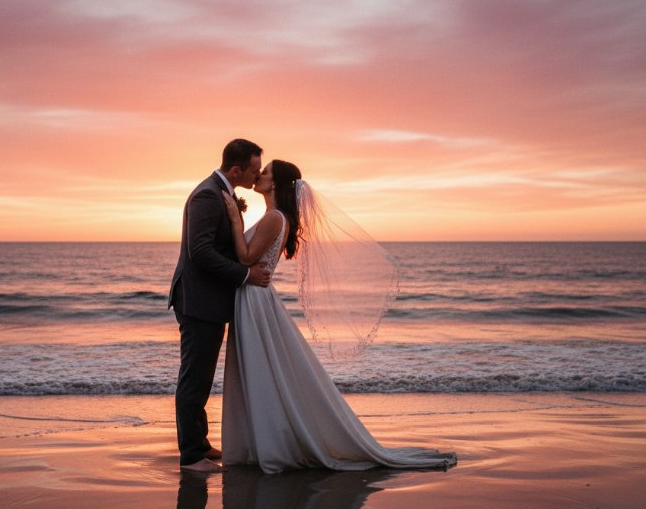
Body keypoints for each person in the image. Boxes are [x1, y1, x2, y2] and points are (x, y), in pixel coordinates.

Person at [220, 159, 457, 474]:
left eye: (266, 173)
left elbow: (247, 257)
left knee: (262, 367)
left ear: (276, 184)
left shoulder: (275, 218)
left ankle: (272, 442)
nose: (260, 176)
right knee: (262, 368)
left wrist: (235, 221)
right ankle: (260, 439)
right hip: (253, 297)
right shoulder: (274, 217)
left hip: (255, 298)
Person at [168, 139, 272, 473]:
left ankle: (200, 443)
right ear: (236, 169)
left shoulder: (221, 193)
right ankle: (191, 456)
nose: (256, 177)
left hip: (209, 302)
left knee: (201, 376)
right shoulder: (207, 196)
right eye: (253, 170)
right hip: (198, 302)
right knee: (194, 379)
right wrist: (245, 274)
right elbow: (200, 252)